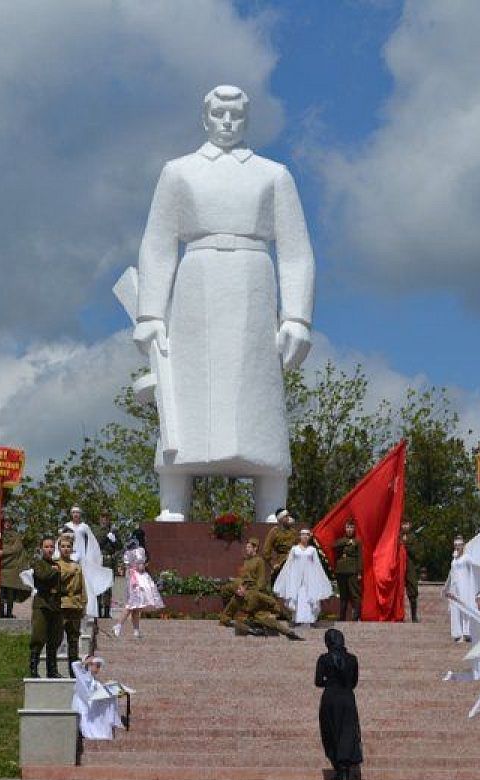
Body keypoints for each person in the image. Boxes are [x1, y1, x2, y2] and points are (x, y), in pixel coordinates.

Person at [133, 85, 316, 520]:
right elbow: (158, 245)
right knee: (185, 395)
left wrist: (297, 316)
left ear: (246, 119)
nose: (227, 123)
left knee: (258, 397)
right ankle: (173, 506)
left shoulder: (273, 174)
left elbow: (295, 250)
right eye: (219, 114)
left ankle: (272, 508)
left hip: (254, 282)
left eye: (235, 115)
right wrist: (150, 313)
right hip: (195, 285)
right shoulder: (179, 172)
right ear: (206, 117)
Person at [316, 629, 364, 780]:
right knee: (347, 733)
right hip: (347, 699)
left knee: (330, 733)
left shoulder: (324, 659)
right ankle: (344, 773)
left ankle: (338, 769)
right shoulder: (352, 659)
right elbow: (354, 682)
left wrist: (330, 681)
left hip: (330, 698)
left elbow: (318, 682)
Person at [60, 507, 114, 620]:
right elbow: (61, 541)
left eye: (78, 513)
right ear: (71, 514)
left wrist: (92, 557)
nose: (76, 515)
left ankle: (88, 607)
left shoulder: (85, 527)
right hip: (69, 554)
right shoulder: (66, 526)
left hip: (82, 556)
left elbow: (92, 543)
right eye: (74, 513)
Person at [273, 529, 333, 627]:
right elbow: (289, 564)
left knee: (308, 596)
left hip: (310, 577)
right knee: (297, 596)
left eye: (307, 535)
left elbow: (317, 565)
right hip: (296, 577)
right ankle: (297, 618)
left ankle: (309, 619)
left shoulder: (312, 550)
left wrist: (319, 578)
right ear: (300, 536)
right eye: (303, 535)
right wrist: (286, 577)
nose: (305, 537)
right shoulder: (294, 549)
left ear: (309, 537)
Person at [112, 529, 164, 638]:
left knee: (136, 606)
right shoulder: (140, 550)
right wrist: (144, 566)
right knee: (132, 604)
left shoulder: (128, 551)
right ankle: (118, 625)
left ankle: (136, 630)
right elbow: (140, 566)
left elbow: (126, 564)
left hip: (131, 577)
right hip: (138, 578)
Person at [29, 535, 64, 678]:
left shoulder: (56, 564)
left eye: (51, 547)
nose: (49, 549)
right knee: (38, 636)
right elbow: (42, 576)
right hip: (42, 604)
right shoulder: (37, 562)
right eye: (47, 547)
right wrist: (54, 571)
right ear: (41, 548)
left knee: (54, 639)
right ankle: (33, 668)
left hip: (55, 605)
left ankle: (52, 670)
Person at [0, 521, 31, 619]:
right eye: (5, 522)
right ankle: (1, 611)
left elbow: (17, 549)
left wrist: (3, 552)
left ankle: (9, 612)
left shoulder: (16, 536)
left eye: (9, 522)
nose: (7, 524)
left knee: (10, 591)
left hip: (11, 567)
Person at [71, 654, 126, 741]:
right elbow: (74, 665)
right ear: (89, 665)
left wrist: (116, 692)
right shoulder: (82, 676)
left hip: (92, 706)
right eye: (96, 666)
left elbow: (100, 692)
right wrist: (85, 662)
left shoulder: (95, 682)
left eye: (99, 667)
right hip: (84, 706)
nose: (98, 669)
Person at [57, 536, 86, 666]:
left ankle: (73, 669)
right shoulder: (56, 564)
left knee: (73, 638)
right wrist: (69, 572)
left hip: (75, 604)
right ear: (59, 548)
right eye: (63, 546)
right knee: (57, 637)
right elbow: (56, 580)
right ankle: (53, 668)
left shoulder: (77, 566)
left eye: (68, 546)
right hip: (61, 604)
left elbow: (82, 586)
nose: (66, 549)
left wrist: (83, 604)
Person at [444, 537, 479, 641]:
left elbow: (476, 565)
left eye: (459, 545)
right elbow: (451, 573)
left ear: (463, 546)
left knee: (465, 607)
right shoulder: (454, 558)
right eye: (455, 545)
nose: (457, 547)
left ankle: (466, 632)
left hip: (465, 585)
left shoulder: (467, 557)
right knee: (456, 609)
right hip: (455, 586)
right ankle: (457, 633)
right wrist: (446, 587)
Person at [333, 518, 363, 622]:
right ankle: (342, 617)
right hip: (341, 570)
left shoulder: (357, 541)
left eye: (351, 527)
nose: (349, 529)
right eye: (347, 527)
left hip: (352, 570)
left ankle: (356, 616)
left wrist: (359, 572)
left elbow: (360, 557)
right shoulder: (341, 540)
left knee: (355, 594)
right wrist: (347, 541)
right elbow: (334, 545)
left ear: (354, 529)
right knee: (343, 594)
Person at [262, 508, 299, 581]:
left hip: (294, 563)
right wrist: (273, 564)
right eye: (286, 516)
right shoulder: (275, 532)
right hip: (281, 563)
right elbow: (266, 551)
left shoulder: (294, 532)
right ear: (281, 519)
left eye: (288, 516)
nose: (289, 518)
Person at [96, 514, 122, 618]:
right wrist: (107, 537)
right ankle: (98, 611)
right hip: (99, 560)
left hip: (110, 560)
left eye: (106, 519)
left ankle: (106, 612)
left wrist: (114, 540)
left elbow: (120, 546)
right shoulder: (97, 532)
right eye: (102, 519)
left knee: (108, 587)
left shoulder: (114, 532)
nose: (104, 521)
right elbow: (98, 545)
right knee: (98, 586)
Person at [401, 523, 420, 622]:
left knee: (412, 591)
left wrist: (406, 546)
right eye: (403, 524)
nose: (404, 526)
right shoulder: (398, 536)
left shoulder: (413, 538)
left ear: (410, 525)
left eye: (406, 524)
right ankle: (398, 615)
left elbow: (416, 554)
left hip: (410, 567)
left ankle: (414, 616)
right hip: (399, 566)